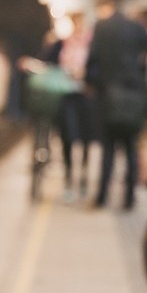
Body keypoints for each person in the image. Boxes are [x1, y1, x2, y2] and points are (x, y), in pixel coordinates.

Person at [85, 0, 147, 210]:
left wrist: (91, 83)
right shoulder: (138, 29)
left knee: (108, 149)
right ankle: (130, 198)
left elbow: (92, 60)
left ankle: (102, 197)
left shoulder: (102, 27)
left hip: (108, 95)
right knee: (131, 148)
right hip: (133, 95)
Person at [57, 12, 95, 202]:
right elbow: (52, 62)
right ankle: (69, 178)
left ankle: (83, 179)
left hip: (85, 95)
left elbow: (96, 66)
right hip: (67, 95)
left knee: (86, 139)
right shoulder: (64, 43)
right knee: (68, 138)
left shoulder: (92, 44)